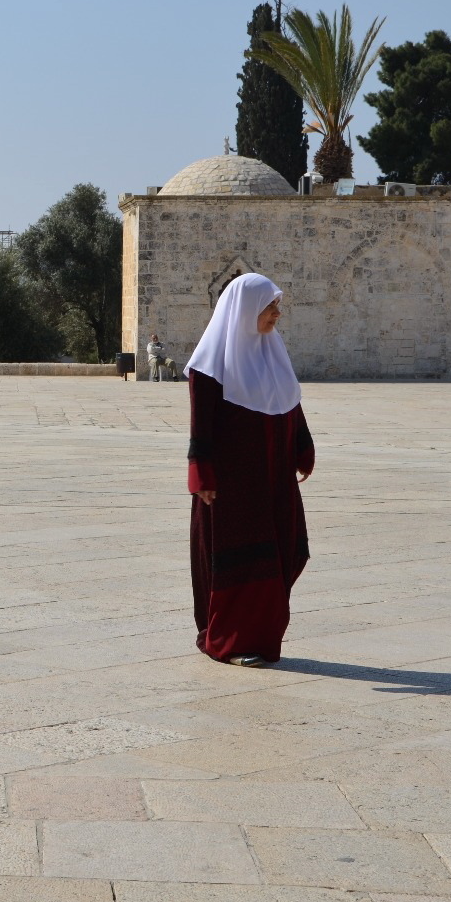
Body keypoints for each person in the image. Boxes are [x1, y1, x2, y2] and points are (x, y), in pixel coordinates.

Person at [185, 273, 314, 667]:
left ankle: (260, 636)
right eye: (270, 307)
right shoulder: (208, 368)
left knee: (287, 552)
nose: (277, 314)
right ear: (245, 311)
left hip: (274, 480)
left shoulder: (274, 354)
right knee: (241, 561)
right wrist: (201, 475)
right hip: (231, 487)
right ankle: (230, 641)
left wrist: (303, 449)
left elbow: (290, 404)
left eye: (276, 306)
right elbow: (200, 425)